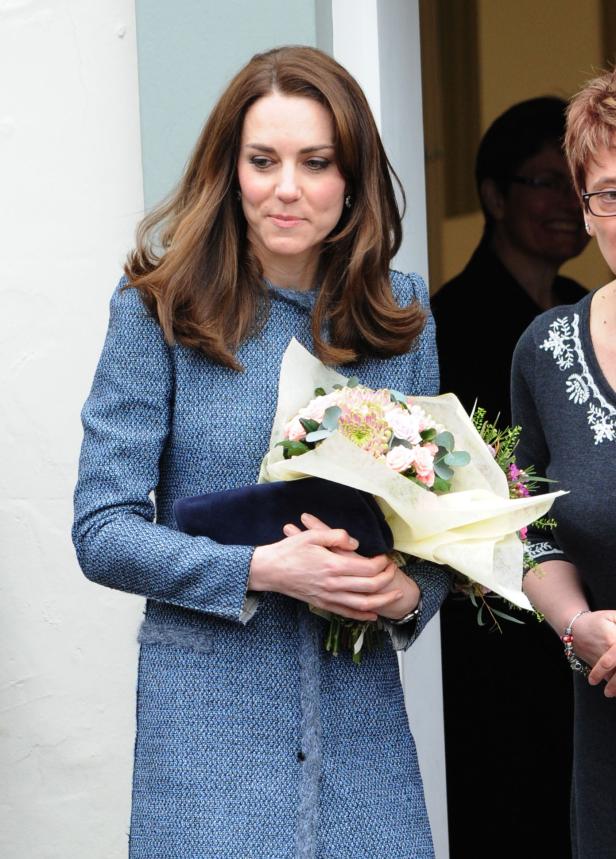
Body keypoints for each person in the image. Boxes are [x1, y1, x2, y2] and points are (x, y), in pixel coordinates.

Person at [72, 46, 449, 859]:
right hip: (208, 739)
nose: (287, 187)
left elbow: (437, 530)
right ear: (229, 169)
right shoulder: (159, 312)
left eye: (316, 163)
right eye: (263, 160)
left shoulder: (403, 314)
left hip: (363, 738)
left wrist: (401, 594)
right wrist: (262, 569)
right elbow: (102, 528)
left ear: (351, 178)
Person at [432, 98, 589, 859]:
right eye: (544, 182)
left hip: (593, 621)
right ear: (494, 197)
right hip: (495, 628)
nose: (567, 204)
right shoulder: (448, 319)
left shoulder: (583, 311)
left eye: (577, 185)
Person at [511, 69, 616, 858]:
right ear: (585, 209)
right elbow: (529, 526)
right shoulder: (546, 352)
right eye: (609, 193)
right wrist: (577, 624)